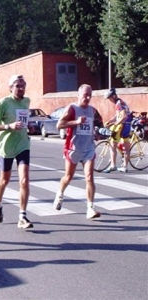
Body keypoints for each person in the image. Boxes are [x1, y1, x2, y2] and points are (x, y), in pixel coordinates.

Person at [0, 75, 33, 229]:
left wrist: (29, 127)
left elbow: (24, 121)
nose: (21, 88)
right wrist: (9, 126)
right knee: (4, 180)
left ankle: (22, 216)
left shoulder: (27, 102)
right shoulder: (3, 103)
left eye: (23, 85)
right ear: (10, 88)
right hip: (6, 148)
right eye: (18, 86)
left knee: (24, 180)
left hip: (22, 145)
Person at [53, 84, 101, 219]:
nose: (87, 97)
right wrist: (76, 122)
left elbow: (95, 125)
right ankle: (60, 193)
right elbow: (59, 125)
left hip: (88, 148)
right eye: (85, 94)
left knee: (90, 177)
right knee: (68, 177)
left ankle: (90, 208)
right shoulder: (72, 108)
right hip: (73, 148)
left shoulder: (92, 110)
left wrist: (96, 134)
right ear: (78, 95)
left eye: (90, 95)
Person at [102, 88, 133, 173]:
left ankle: (113, 165)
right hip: (127, 126)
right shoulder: (120, 102)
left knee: (112, 144)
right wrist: (110, 121)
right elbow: (117, 116)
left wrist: (115, 124)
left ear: (114, 96)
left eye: (110, 98)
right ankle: (125, 167)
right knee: (125, 147)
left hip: (121, 126)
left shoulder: (118, 103)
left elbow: (123, 116)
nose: (109, 100)